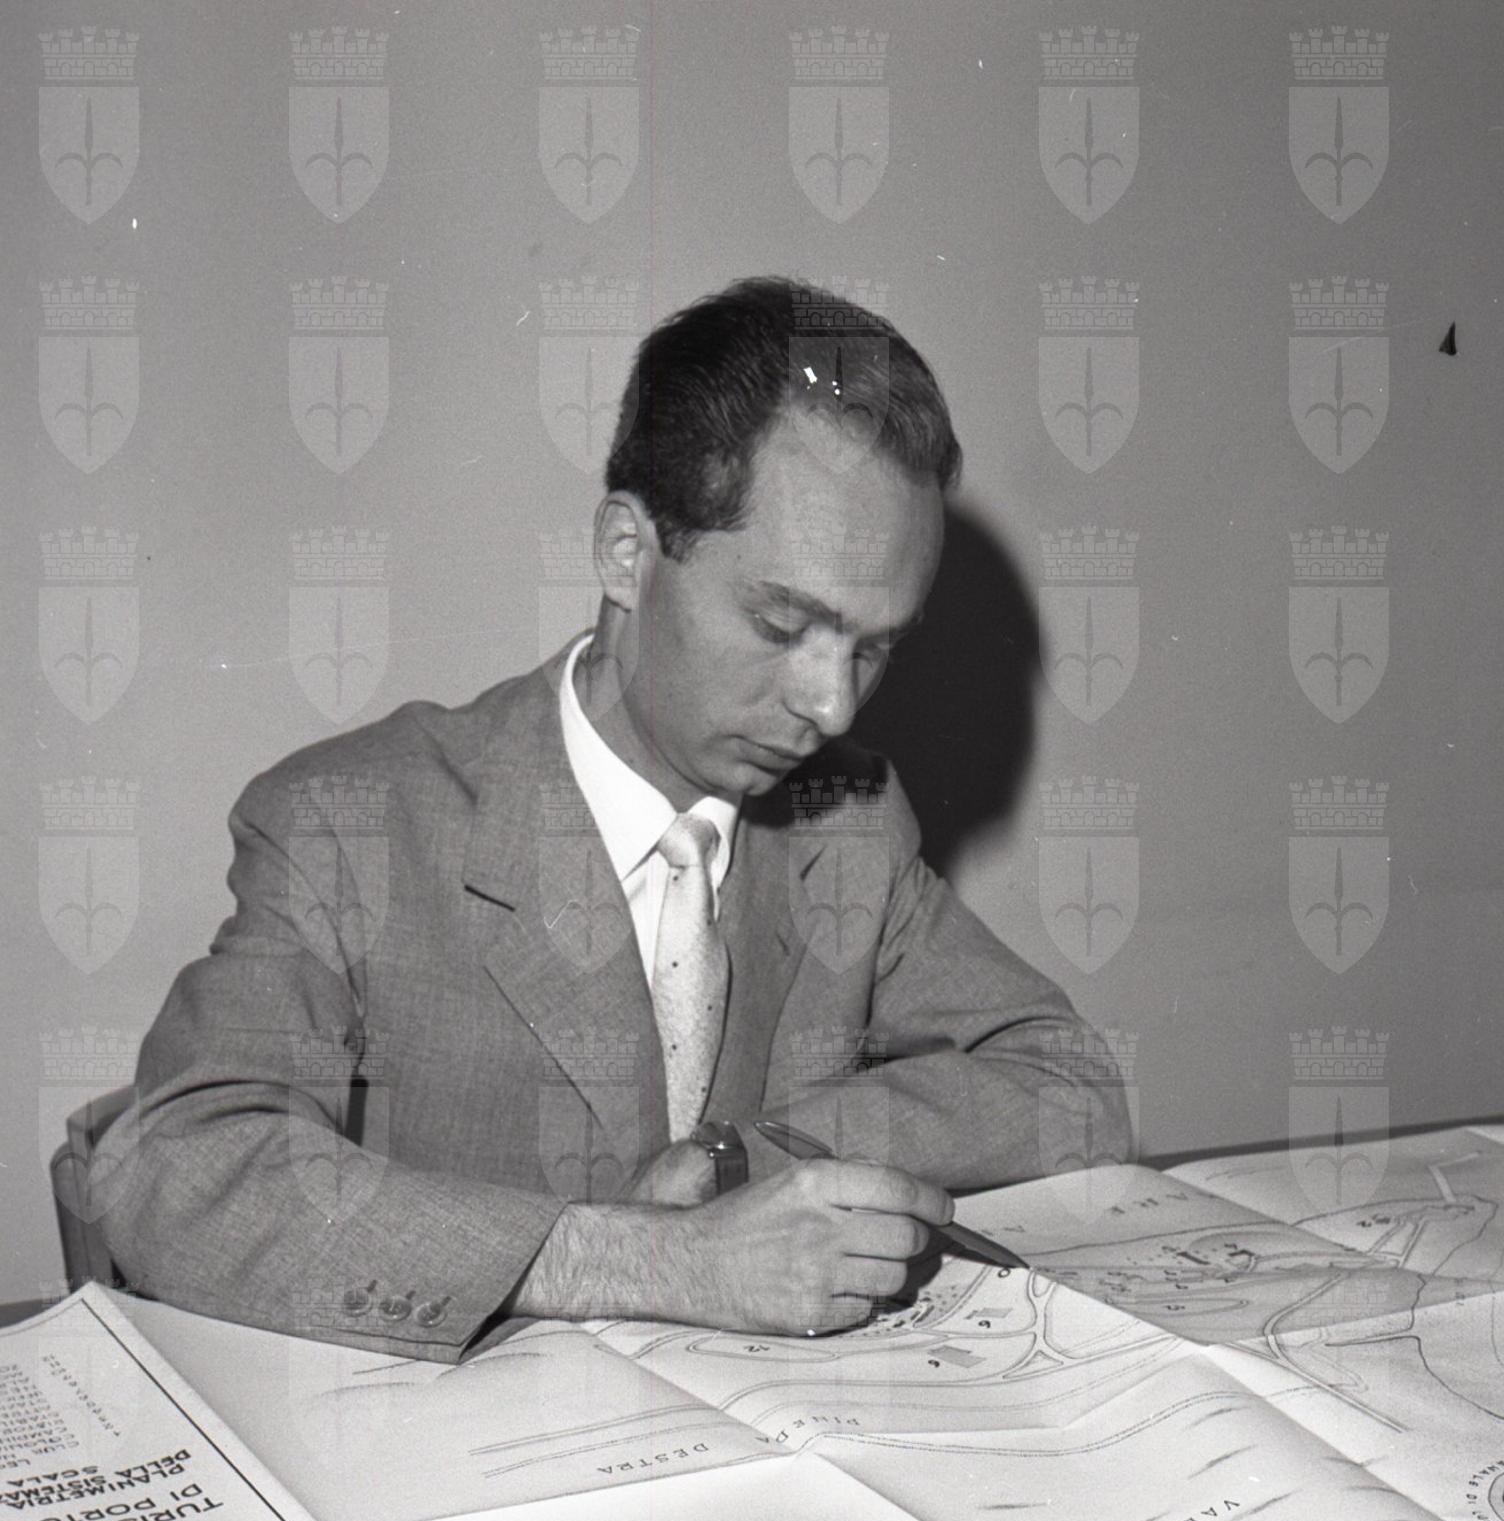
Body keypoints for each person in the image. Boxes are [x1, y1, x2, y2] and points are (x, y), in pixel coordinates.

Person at [91, 277, 1132, 1358]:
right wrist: (647, 1259)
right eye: (783, 625)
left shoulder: (847, 823)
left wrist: (752, 1155)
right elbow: (176, 1168)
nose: (832, 706)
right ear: (627, 554)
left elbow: (1070, 1084)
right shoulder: (350, 824)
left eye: (873, 648)